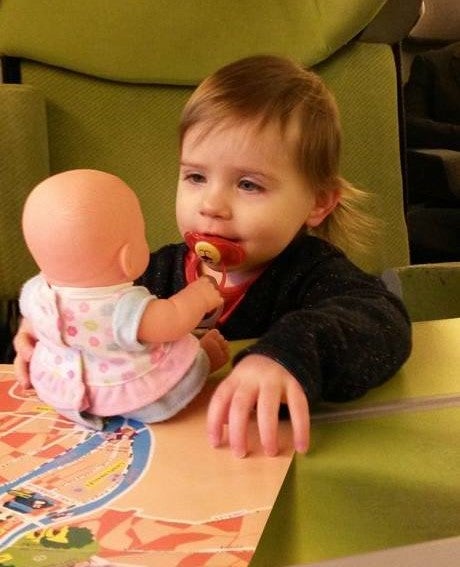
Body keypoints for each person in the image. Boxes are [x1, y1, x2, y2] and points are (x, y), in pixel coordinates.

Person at [15, 55, 412, 456]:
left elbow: (384, 321)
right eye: (196, 177)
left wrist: (286, 356)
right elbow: (96, 316)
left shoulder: (313, 272)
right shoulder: (153, 274)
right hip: (160, 458)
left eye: (248, 184)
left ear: (318, 202)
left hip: (265, 458)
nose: (211, 204)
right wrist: (52, 330)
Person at [18, 169, 229, 429]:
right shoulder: (122, 308)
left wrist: (24, 336)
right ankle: (205, 361)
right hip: (135, 393)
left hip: (61, 387)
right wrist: (197, 296)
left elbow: (32, 323)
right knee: (182, 367)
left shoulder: (36, 292)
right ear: (128, 258)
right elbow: (172, 320)